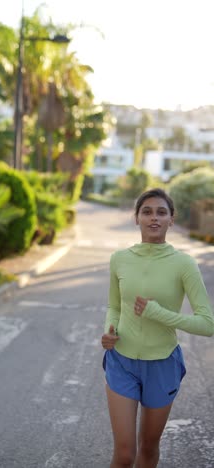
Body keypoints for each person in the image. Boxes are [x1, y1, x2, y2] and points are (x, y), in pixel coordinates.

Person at [101, 188, 214, 468]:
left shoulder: (184, 264)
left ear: (171, 220)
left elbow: (207, 324)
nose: (154, 218)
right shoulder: (120, 259)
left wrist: (159, 314)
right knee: (125, 454)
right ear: (136, 218)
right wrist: (110, 330)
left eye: (161, 212)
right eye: (147, 211)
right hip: (122, 362)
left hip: (162, 364)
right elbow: (114, 306)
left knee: (149, 448)